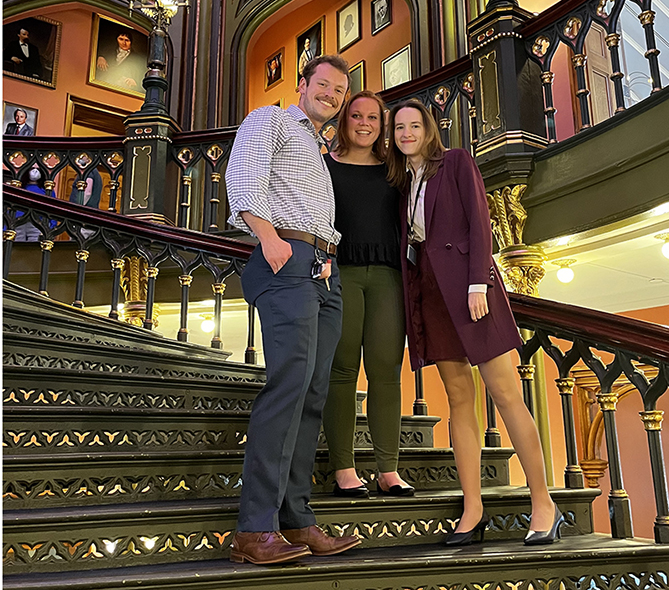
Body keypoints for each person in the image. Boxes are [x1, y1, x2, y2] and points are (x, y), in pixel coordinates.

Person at [386, 99, 562, 547]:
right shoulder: (403, 185)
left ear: (428, 128)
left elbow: (481, 223)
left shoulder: (457, 162)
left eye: (413, 125)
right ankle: (472, 508)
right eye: (399, 127)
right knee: (459, 401)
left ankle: (543, 503)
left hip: (470, 291)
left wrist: (479, 281)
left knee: (506, 395)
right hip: (429, 296)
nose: (406, 133)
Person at [225, 54, 361, 566]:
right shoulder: (271, 120)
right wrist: (270, 239)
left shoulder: (315, 143)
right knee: (289, 385)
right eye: (323, 85)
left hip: (323, 266)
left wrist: (321, 259)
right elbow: (243, 181)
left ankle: (296, 521)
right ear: (302, 85)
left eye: (339, 90)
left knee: (313, 391)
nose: (331, 95)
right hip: (288, 257)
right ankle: (254, 528)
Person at [322, 90, 412, 499]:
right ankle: (344, 467)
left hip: (388, 278)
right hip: (340, 273)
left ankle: (388, 470)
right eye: (356, 115)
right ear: (344, 120)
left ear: (382, 125)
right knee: (341, 372)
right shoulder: (325, 167)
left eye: (373, 118)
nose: (363, 123)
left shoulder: (396, 169)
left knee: (386, 372)